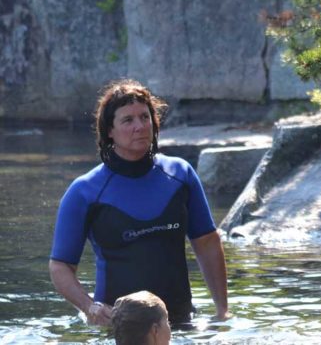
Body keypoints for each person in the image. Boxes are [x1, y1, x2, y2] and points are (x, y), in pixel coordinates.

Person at [49, 79, 229, 326]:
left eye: (145, 117)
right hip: (118, 329)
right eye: (128, 120)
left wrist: (222, 312)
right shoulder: (85, 191)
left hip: (179, 323)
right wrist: (90, 307)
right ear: (109, 131)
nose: (140, 126)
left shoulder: (180, 175)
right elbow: (60, 266)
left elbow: (207, 243)